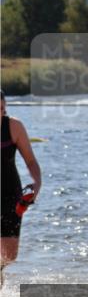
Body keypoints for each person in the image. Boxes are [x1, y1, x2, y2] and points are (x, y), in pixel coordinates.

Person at [1, 90, 42, 278]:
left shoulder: (14, 126)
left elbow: (31, 162)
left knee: (9, 256)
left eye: (2, 108)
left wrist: (35, 183)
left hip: (11, 194)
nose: (0, 112)